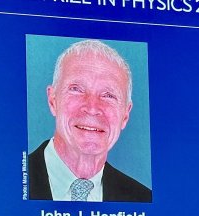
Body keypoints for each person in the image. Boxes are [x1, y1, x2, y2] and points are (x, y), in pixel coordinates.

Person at [28, 39, 151, 202]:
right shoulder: (5, 182)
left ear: (125, 115)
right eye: (76, 89)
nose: (92, 108)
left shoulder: (142, 198)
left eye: (109, 95)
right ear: (52, 100)